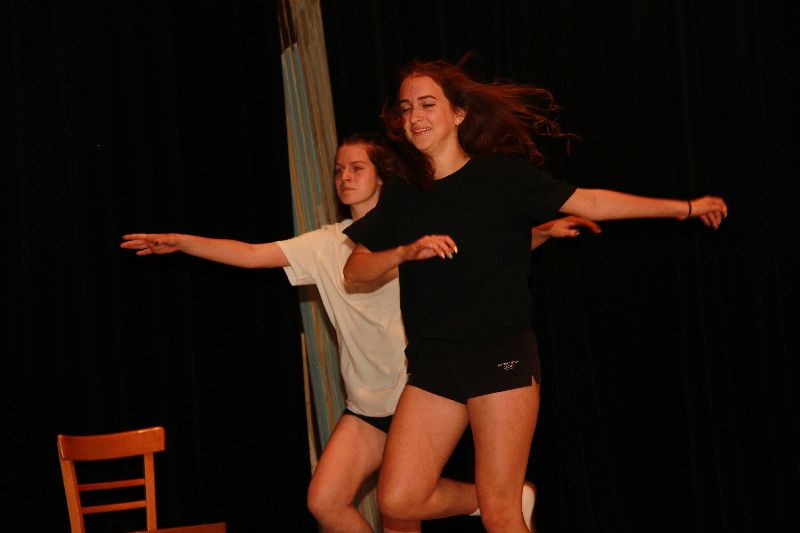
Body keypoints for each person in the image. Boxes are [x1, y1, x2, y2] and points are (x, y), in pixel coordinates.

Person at [120, 132, 599, 533]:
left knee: (399, 510)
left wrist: (540, 233)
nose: (344, 178)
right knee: (325, 500)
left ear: (382, 176)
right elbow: (250, 254)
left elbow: (480, 256)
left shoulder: (413, 224)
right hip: (367, 402)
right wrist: (182, 242)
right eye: (338, 171)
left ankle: (496, 500)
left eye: (356, 169)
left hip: (418, 391)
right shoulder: (324, 245)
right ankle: (490, 499)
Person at [342, 59, 728, 533]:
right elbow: (354, 272)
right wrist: (404, 251)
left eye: (427, 104)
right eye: (406, 109)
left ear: (458, 113)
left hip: (499, 356)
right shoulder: (404, 195)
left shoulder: (502, 177)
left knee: (502, 515)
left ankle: (500, 501)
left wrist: (685, 208)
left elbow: (590, 201)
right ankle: (490, 499)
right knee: (398, 499)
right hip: (434, 363)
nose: (415, 116)